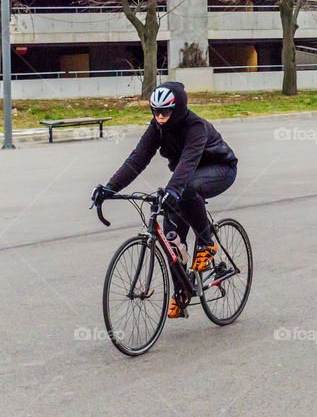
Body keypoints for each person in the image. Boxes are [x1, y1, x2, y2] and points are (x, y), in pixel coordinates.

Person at [91, 82, 239, 318]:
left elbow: (188, 163)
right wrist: (109, 188)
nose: (160, 117)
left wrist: (173, 190)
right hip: (185, 176)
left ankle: (207, 243)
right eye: (156, 111)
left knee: (187, 188)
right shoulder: (157, 128)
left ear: (178, 109)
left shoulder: (195, 127)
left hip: (219, 169)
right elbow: (136, 160)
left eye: (166, 112)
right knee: (171, 237)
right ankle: (181, 293)